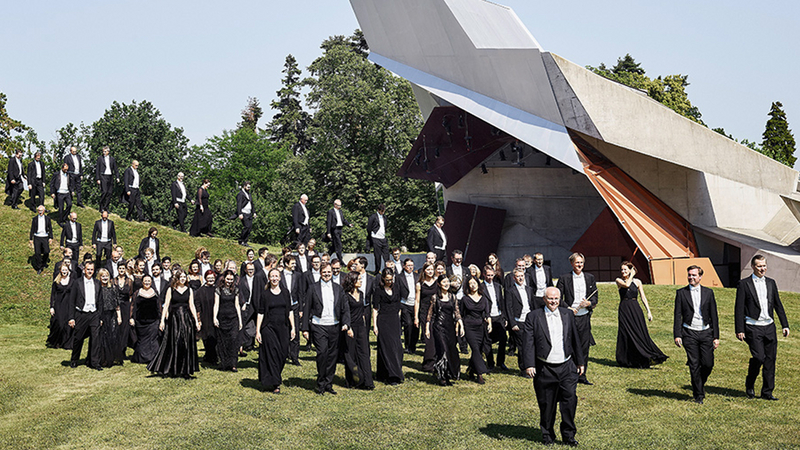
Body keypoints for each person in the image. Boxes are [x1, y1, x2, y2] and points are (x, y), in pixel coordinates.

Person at [523, 286, 584, 447]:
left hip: (567, 367)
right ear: (544, 299)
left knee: (569, 401)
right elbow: (528, 342)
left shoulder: (568, 314)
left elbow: (575, 339)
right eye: (550, 298)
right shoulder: (533, 317)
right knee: (547, 404)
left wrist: (580, 362)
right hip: (545, 368)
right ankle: (547, 435)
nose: (553, 301)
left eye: (556, 298)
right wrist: (529, 364)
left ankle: (569, 435)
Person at [735, 254, 790, 401]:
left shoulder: (771, 283)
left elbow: (778, 305)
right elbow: (739, 308)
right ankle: (750, 384)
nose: (762, 268)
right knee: (759, 357)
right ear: (753, 267)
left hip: (769, 327)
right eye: (759, 266)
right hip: (753, 327)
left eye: (764, 265)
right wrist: (739, 329)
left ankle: (767, 392)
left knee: (770, 360)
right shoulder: (744, 284)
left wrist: (785, 325)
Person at [302, 262, 351, 395]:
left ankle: (329, 383)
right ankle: (321, 382)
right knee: (322, 353)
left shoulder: (338, 288)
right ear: (320, 273)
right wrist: (305, 328)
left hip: (334, 326)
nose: (327, 274)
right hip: (319, 326)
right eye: (324, 272)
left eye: (329, 272)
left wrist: (346, 323)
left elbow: (344, 307)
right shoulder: (313, 288)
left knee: (332, 355)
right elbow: (307, 309)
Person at [674, 265, 719, 404]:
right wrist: (677, 334)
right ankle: (698, 395)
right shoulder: (681, 293)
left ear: (700, 277)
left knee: (707, 364)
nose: (691, 277)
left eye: (694, 275)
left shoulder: (708, 293)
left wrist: (716, 336)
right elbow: (677, 315)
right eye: (689, 275)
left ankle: (699, 383)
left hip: (706, 332)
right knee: (694, 364)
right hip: (689, 333)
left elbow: (714, 315)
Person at [148, 269, 200, 378]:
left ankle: (186, 370)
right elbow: (166, 305)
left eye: (184, 277)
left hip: (186, 319)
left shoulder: (189, 290)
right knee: (175, 343)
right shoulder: (170, 290)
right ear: (176, 278)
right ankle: (173, 369)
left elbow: (192, 305)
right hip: (174, 319)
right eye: (181, 277)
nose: (183, 279)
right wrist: (162, 321)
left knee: (186, 343)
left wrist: (196, 320)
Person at [615, 262, 668, 368]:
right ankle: (627, 359)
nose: (623, 272)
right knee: (625, 332)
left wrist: (648, 311)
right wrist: (632, 275)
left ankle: (645, 355)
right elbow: (627, 285)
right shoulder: (619, 280)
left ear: (630, 270)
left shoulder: (638, 282)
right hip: (625, 308)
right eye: (622, 270)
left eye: (625, 269)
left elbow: (643, 297)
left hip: (635, 308)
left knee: (639, 331)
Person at [557, 252, 598, 386]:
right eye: (577, 262)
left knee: (584, 346)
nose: (579, 265)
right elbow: (558, 298)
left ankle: (582, 375)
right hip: (570, 317)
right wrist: (568, 308)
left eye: (581, 262)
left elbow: (595, 297)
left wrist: (589, 303)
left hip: (584, 317)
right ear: (572, 263)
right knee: (570, 345)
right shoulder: (564, 278)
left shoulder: (590, 278)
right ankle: (570, 374)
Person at [255, 268, 295, 394]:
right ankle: (276, 383)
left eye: (276, 276)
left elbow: (289, 311)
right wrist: (258, 331)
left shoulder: (285, 292)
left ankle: (274, 376)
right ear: (269, 278)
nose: (274, 278)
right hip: (268, 328)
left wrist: (293, 327)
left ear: (280, 278)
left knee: (282, 354)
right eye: (272, 276)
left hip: (283, 328)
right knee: (272, 353)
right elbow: (260, 313)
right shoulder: (265, 294)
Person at [426, 275, 464, 385]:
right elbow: (430, 314)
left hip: (450, 327)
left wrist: (460, 323)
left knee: (451, 350)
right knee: (442, 350)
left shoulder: (453, 297)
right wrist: (427, 328)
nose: (446, 284)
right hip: (438, 326)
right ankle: (442, 376)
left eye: (447, 281)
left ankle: (448, 374)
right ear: (439, 284)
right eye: (444, 282)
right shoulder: (435, 297)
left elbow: (457, 312)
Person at [341, 271, 374, 390]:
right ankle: (352, 380)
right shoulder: (345, 295)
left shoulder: (361, 293)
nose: (361, 281)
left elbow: (363, 311)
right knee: (351, 354)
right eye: (358, 279)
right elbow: (345, 312)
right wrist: (348, 327)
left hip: (361, 327)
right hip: (350, 327)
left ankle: (367, 381)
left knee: (364, 354)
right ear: (353, 281)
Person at [372, 268, 404, 385]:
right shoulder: (378, 290)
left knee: (397, 347)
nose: (389, 282)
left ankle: (385, 373)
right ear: (383, 279)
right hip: (383, 320)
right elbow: (375, 309)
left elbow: (398, 306)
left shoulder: (396, 288)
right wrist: (375, 325)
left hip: (394, 320)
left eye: (391, 279)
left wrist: (398, 320)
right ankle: (393, 375)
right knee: (387, 347)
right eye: (387, 280)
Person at [68, 261, 102, 370]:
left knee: (95, 338)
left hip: (94, 314)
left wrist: (100, 317)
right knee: (78, 338)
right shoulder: (77, 283)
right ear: (84, 270)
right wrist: (71, 317)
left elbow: (100, 301)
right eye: (88, 269)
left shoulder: (97, 283)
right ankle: (74, 360)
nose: (90, 271)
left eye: (92, 269)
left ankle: (94, 362)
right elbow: (71, 301)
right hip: (81, 314)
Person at [460, 276, 490, 384]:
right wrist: (461, 327)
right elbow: (461, 315)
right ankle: (480, 374)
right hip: (469, 327)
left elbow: (487, 314)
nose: (473, 285)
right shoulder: (465, 299)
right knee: (475, 349)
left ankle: (471, 370)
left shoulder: (483, 298)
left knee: (478, 349)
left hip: (480, 327)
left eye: (474, 283)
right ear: (468, 286)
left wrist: (489, 323)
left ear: (478, 284)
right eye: (470, 283)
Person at [507, 268, 536, 375]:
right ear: (514, 278)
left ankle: (532, 366)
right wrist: (513, 323)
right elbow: (508, 308)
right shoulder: (510, 291)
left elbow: (532, 304)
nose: (520, 278)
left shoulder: (529, 289)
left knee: (531, 344)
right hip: (518, 321)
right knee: (522, 346)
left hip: (529, 321)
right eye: (518, 276)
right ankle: (523, 369)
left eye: (522, 276)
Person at [214, 270, 243, 372]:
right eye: (228, 279)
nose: (229, 281)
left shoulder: (235, 290)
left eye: (231, 279)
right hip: (222, 318)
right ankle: (224, 364)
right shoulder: (218, 289)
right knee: (223, 342)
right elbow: (216, 304)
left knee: (233, 340)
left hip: (233, 318)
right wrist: (215, 317)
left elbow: (237, 305)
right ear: (224, 278)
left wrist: (240, 320)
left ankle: (233, 364)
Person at [483, 265, 508, 371]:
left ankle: (500, 362)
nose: (490, 277)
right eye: (488, 275)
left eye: (491, 275)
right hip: (488, 317)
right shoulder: (481, 287)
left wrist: (504, 316)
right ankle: (490, 363)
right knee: (488, 341)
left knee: (503, 339)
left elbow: (501, 302)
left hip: (498, 316)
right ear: (484, 274)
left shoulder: (497, 286)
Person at [97, 268, 123, 367]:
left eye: (106, 276)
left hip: (112, 315)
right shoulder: (97, 288)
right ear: (99, 277)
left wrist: (119, 317)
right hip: (102, 316)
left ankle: (112, 358)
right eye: (103, 276)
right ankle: (103, 359)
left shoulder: (113, 288)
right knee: (102, 338)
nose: (105, 278)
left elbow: (117, 304)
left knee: (113, 336)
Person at [415, 262, 438, 372]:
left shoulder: (438, 282)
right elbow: (417, 301)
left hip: (436, 313)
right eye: (428, 269)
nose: (430, 271)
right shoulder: (420, 284)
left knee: (436, 338)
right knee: (428, 339)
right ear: (424, 271)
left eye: (431, 269)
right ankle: (428, 364)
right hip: (424, 313)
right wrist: (416, 317)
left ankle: (436, 362)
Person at [280, 257, 303, 366]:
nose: (294, 265)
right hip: (282, 307)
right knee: (283, 331)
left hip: (294, 306)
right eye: (292, 263)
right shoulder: (279, 275)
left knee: (296, 331)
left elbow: (300, 292)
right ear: (286, 263)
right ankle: (283, 354)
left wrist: (301, 309)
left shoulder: (298, 275)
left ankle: (295, 356)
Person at [47, 263, 74, 349]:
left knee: (67, 325)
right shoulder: (56, 281)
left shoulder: (72, 281)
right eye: (63, 270)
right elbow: (53, 295)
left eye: (66, 270)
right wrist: (52, 307)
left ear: (68, 270)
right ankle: (56, 341)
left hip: (69, 305)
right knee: (59, 324)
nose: (64, 271)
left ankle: (66, 343)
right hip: (59, 305)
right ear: (60, 271)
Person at [194, 270, 218, 364]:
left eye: (212, 278)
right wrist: (199, 318)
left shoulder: (217, 289)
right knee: (207, 336)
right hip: (205, 316)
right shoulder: (201, 290)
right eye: (209, 278)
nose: (211, 279)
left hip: (215, 316)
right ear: (205, 278)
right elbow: (198, 305)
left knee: (215, 337)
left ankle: (214, 356)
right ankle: (209, 356)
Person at [396, 258, 419, 354]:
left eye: (412, 265)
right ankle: (407, 345)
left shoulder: (417, 276)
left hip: (416, 304)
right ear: (404, 266)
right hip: (405, 303)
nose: (410, 267)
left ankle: (413, 346)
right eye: (408, 265)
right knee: (408, 324)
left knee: (416, 326)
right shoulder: (399, 277)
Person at [114, 261, 134, 360]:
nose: (121, 270)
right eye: (120, 268)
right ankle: (116, 351)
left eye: (123, 268)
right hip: (117, 306)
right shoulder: (113, 280)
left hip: (126, 306)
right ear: (117, 269)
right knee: (118, 328)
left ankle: (123, 350)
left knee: (125, 329)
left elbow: (130, 295)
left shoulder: (129, 281)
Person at [238, 262, 258, 354]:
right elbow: (240, 293)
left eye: (252, 269)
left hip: (256, 304)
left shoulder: (258, 279)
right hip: (246, 304)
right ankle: (246, 344)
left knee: (255, 323)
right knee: (246, 323)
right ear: (245, 270)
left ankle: (252, 343)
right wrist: (243, 303)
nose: (251, 271)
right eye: (249, 269)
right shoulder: (241, 281)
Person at [29, 205, 53, 275]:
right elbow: (32, 229)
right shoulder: (35, 219)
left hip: (45, 236)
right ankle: (39, 267)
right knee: (37, 253)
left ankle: (44, 262)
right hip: (37, 237)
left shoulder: (47, 218)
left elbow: (50, 228)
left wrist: (51, 237)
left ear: (44, 211)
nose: (40, 212)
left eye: (41, 210)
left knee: (46, 251)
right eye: (39, 210)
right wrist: (31, 239)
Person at [94, 146, 119, 212]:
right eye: (103, 151)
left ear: (108, 151)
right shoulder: (100, 158)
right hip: (103, 176)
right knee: (104, 192)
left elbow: (115, 168)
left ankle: (106, 207)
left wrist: (117, 177)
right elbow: (97, 169)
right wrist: (98, 178)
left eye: (105, 151)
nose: (104, 153)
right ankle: (101, 207)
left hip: (110, 176)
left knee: (109, 193)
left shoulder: (112, 159)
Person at [366, 204, 389, 274]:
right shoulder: (373, 217)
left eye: (383, 211)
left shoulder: (384, 217)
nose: (383, 212)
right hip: (376, 237)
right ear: (378, 210)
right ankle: (377, 270)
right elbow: (369, 227)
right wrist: (372, 235)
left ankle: (388, 269)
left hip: (383, 238)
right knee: (377, 255)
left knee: (386, 255)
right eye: (381, 211)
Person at [235, 181, 255, 247]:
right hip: (244, 213)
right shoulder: (240, 194)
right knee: (246, 226)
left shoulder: (249, 194)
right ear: (244, 186)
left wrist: (254, 212)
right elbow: (239, 204)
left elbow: (252, 204)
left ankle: (245, 241)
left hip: (249, 213)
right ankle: (241, 240)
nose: (249, 188)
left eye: (250, 187)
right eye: (248, 187)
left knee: (249, 228)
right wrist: (240, 213)